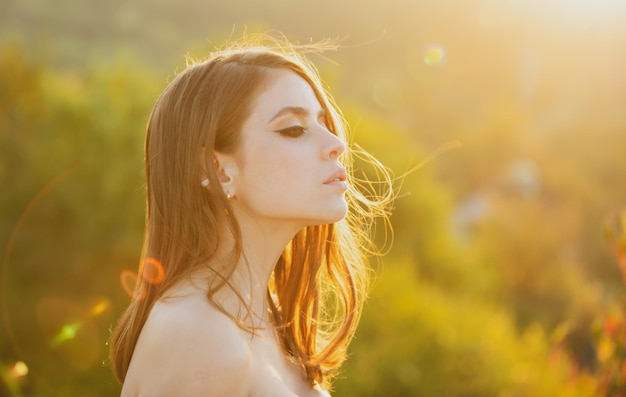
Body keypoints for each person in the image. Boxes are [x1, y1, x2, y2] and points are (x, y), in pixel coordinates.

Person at [109, 35, 393, 397]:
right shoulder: (197, 336)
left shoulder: (265, 318)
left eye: (324, 123)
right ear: (218, 169)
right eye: (293, 129)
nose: (336, 144)